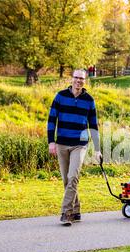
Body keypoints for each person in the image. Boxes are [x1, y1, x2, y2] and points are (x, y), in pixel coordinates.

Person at [47, 69, 102, 226]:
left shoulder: (89, 100)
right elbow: (51, 120)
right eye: (76, 77)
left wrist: (97, 149)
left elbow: (94, 126)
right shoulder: (60, 96)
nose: (79, 81)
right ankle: (77, 210)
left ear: (85, 81)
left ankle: (66, 212)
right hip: (62, 144)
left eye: (82, 78)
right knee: (66, 180)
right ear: (71, 79)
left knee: (73, 177)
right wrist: (51, 141)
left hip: (80, 144)